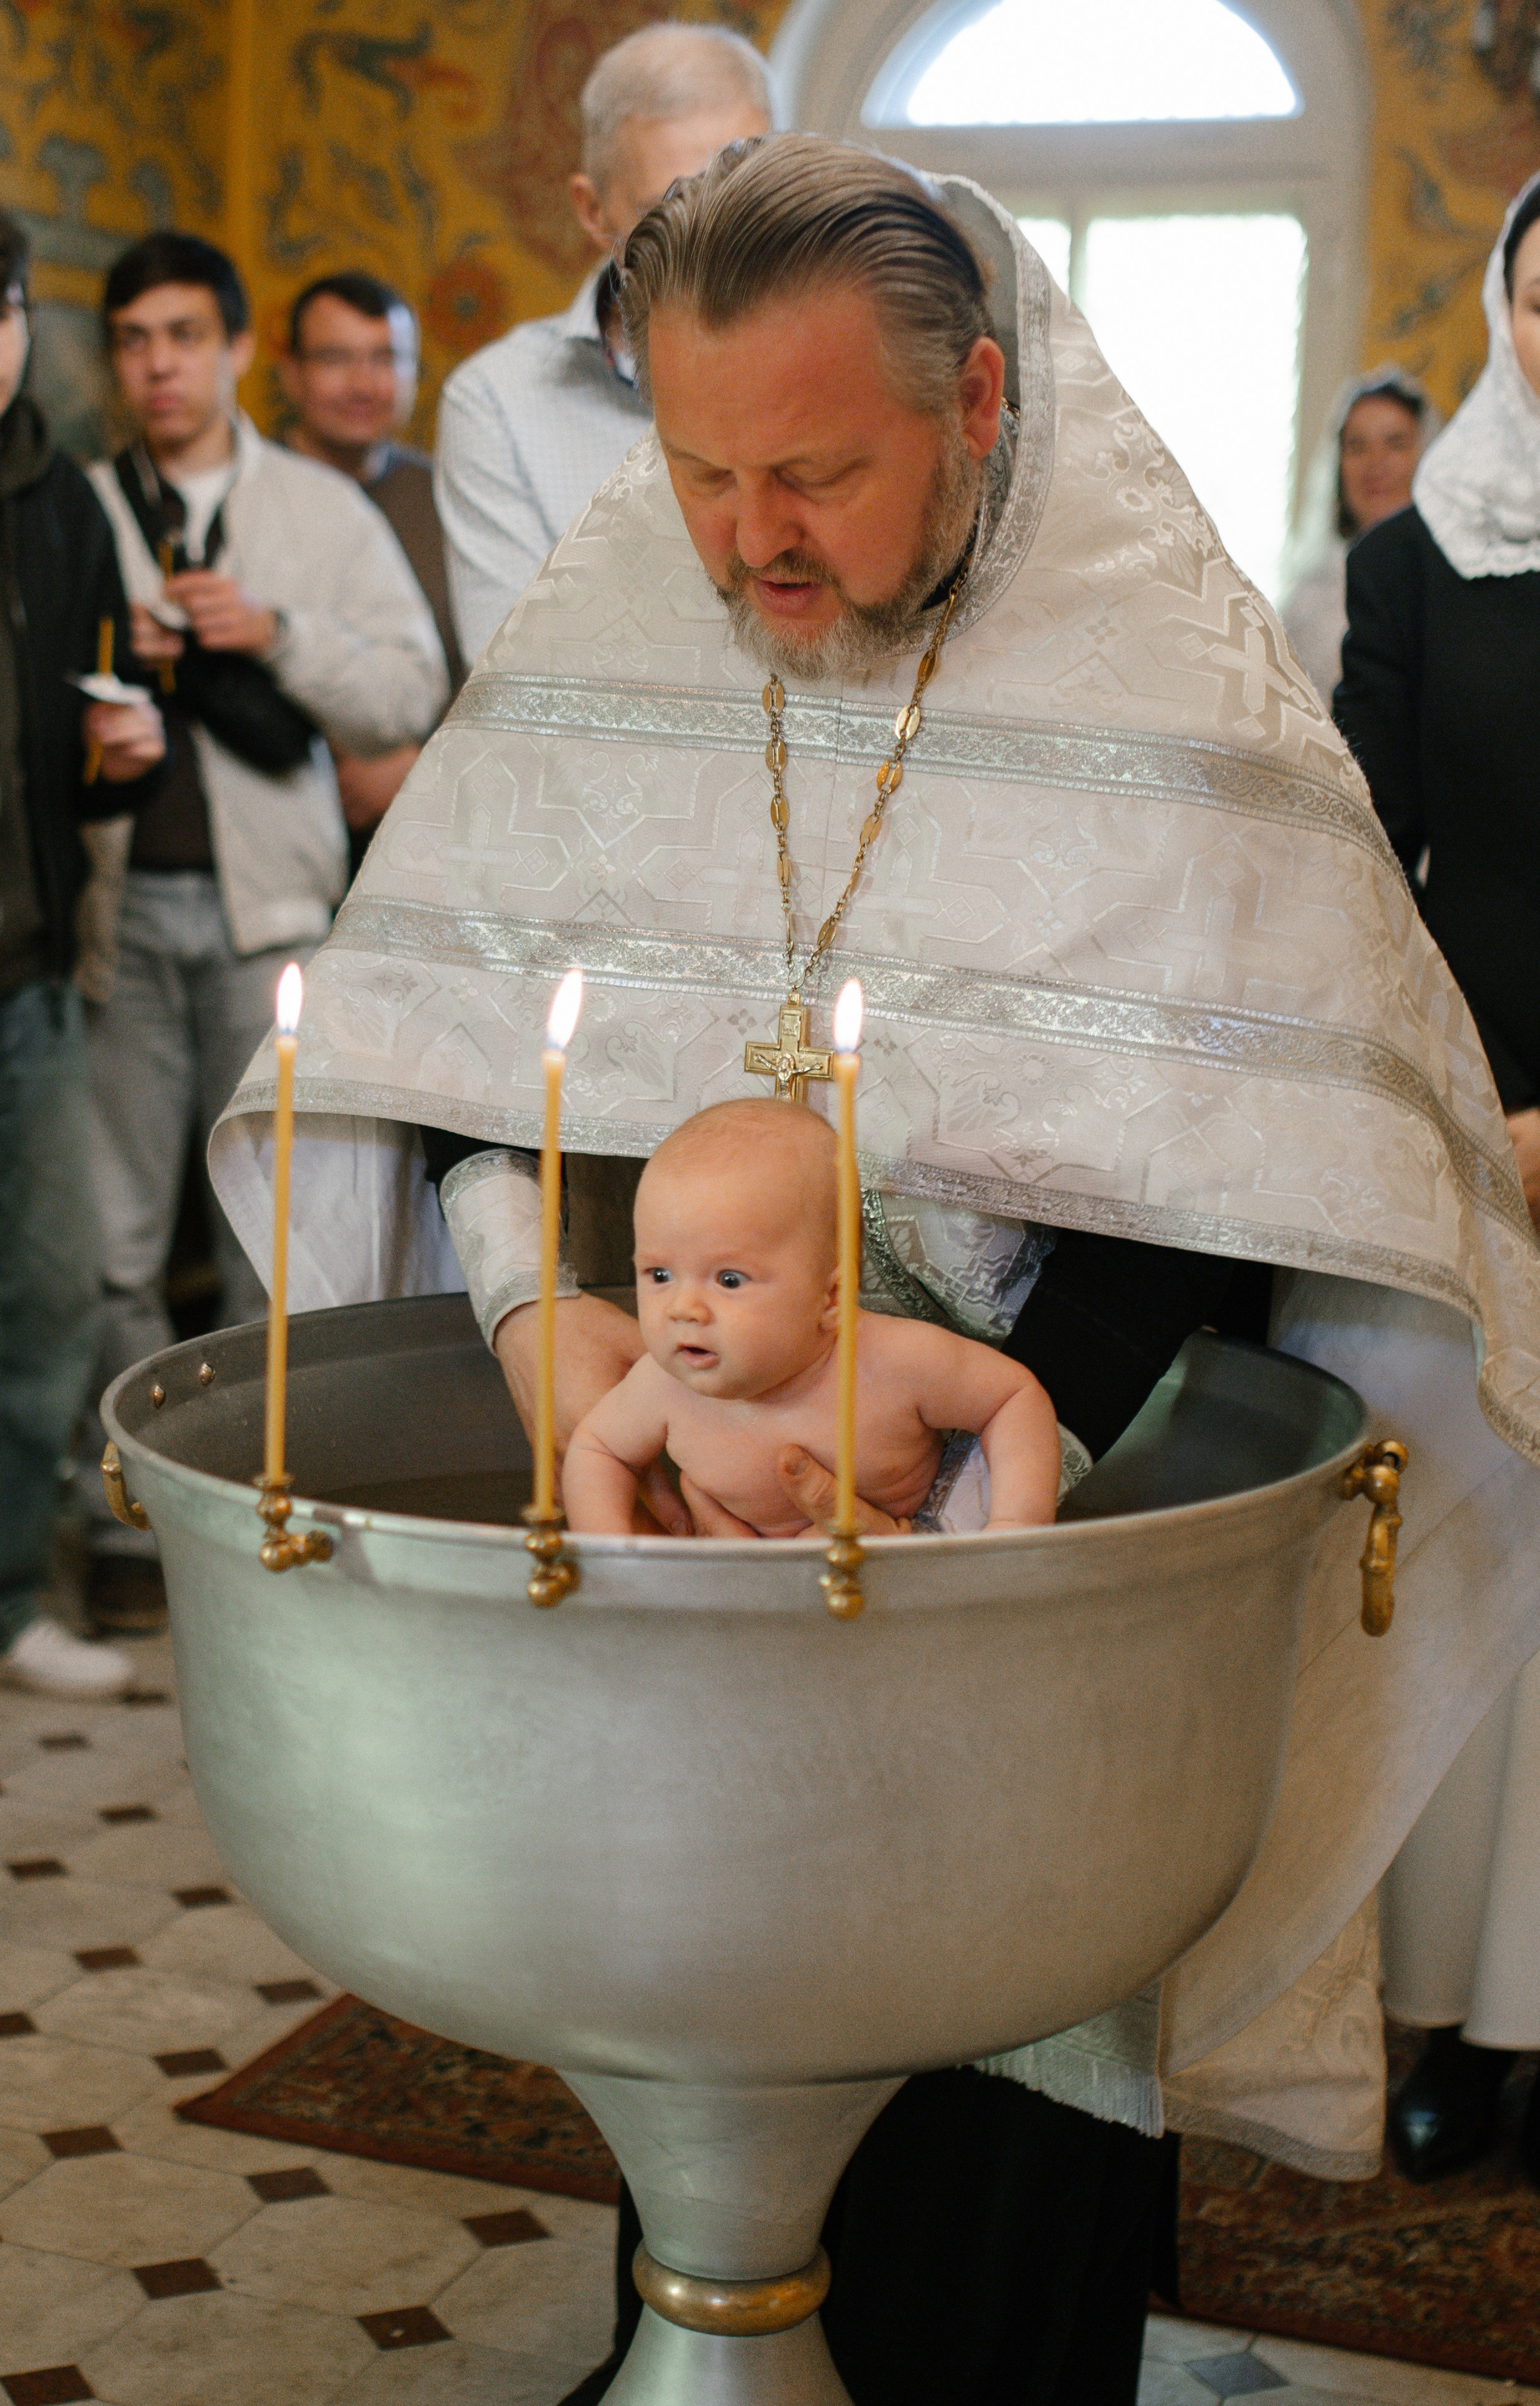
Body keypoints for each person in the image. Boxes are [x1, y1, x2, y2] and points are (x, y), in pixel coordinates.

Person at [212, 140, 1540, 2404]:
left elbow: (1247, 1163)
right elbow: (472, 1049)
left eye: (818, 470)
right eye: (707, 466)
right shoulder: (634, 633)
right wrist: (558, 1330)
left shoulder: (1178, 711)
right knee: (708, 2034)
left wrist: (923, 1441)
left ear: (986, 407)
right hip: (688, 1538)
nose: (748, 537)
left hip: (1038, 1548)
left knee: (1002, 2112)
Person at [81, 230, 447, 1632]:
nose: (159, 363)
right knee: (111, 1249)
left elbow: (404, 690)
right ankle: (138, 1521)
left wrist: (271, 629)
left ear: (239, 353)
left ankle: (257, 1523)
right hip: (110, 919)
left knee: (266, 1234)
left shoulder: (316, 512)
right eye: (132, 339)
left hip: (273, 923)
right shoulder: (82, 505)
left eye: (185, 335)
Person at [1334, 173, 1540, 2188]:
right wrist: (1480, 1109)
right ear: (1507, 311)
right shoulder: (1412, 566)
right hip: (1477, 1131)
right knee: (1482, 1595)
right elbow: (1357, 867)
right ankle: (1457, 2033)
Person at [0, 183, 165, 1698]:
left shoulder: (62, 496)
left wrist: (128, 743)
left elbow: (82, 725)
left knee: (30, 1311)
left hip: (32, 979)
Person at [563, 1101, 1061, 1539]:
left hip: (897, 1567)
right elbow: (597, 1450)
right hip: (749, 1582)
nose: (682, 1308)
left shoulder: (895, 1362)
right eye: (660, 1273)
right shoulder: (662, 1387)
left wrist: (1014, 1528)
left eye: (730, 1280)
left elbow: (1011, 1399)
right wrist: (611, 1556)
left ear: (832, 1296)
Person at [434, 21, 772, 664]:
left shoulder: (847, 375)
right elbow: (517, 680)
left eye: (744, 198)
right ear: (593, 212)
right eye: (670, 210)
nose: (716, 242)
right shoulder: (497, 401)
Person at [280, 271, 464, 862]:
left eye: (387, 359)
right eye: (336, 359)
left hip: (434, 828)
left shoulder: (450, 498)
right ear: (291, 371)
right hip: (283, 827)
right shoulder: (251, 493)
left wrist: (416, 761)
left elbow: (496, 649)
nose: (363, 384)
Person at [1279, 366, 1438, 700]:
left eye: (1395, 444)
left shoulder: (1452, 588)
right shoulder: (1305, 605)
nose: (1375, 464)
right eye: (1357, 446)